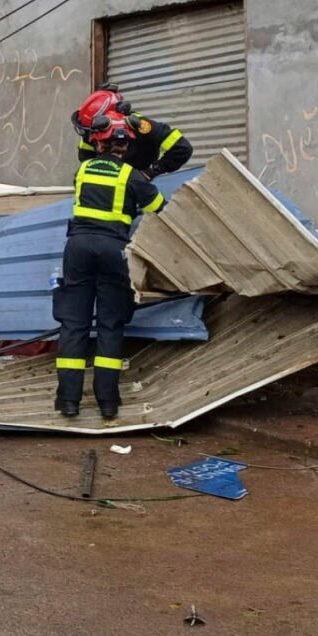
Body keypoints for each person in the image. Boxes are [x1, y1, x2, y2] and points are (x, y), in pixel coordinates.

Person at [54, 105, 166, 421]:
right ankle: (107, 404)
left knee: (73, 324)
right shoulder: (131, 176)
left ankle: (69, 402)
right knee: (110, 324)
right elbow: (158, 208)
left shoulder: (83, 171)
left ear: (98, 143)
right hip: (113, 251)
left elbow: (85, 169)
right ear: (126, 146)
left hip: (77, 249)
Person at [72, 85, 193, 177]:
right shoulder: (92, 130)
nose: (90, 136)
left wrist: (151, 171)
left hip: (140, 186)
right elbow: (85, 157)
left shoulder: (141, 126)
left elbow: (181, 148)